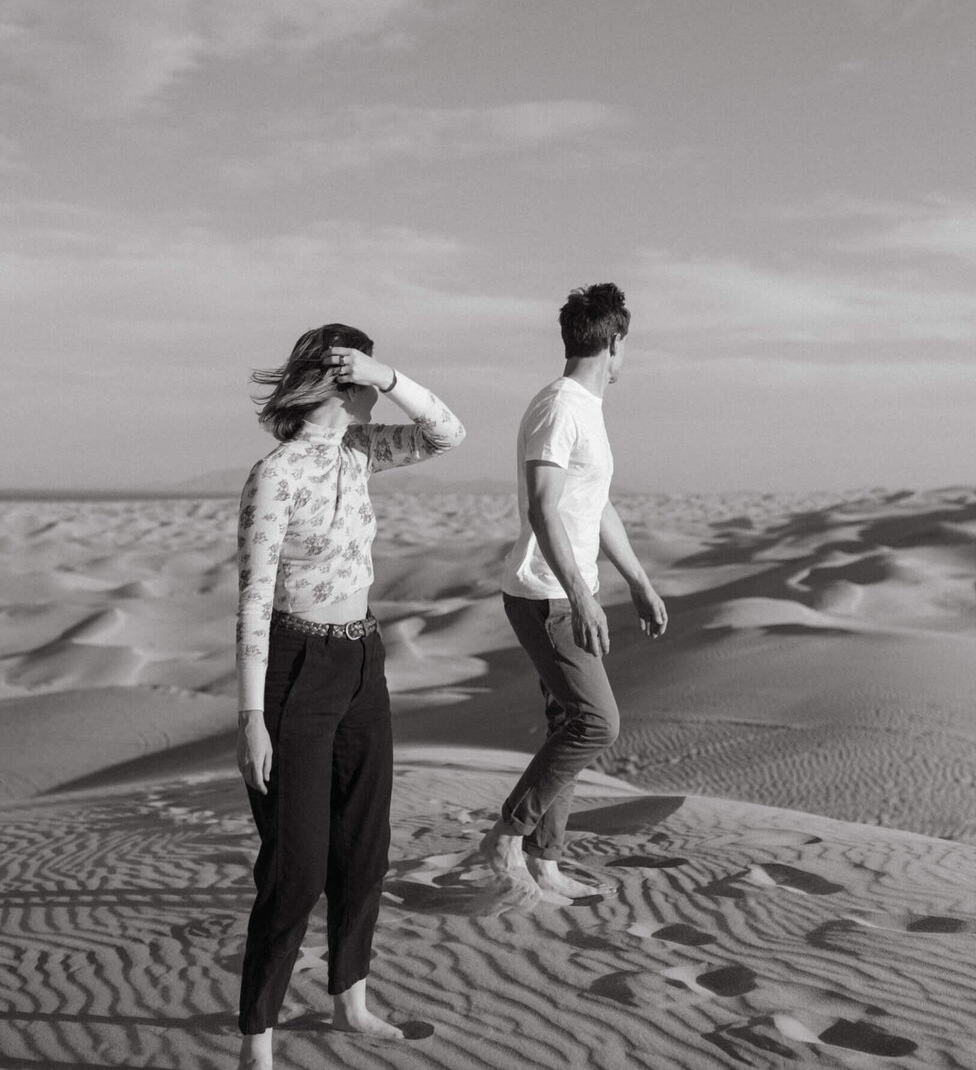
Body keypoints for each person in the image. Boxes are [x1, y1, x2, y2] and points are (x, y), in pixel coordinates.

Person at [234, 323, 464, 1069]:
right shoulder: (276, 475)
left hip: (364, 661)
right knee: (296, 867)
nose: (375, 390)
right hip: (295, 672)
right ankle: (257, 1042)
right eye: (363, 377)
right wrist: (251, 719)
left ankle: (350, 1002)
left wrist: (389, 373)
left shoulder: (362, 450)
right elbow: (252, 599)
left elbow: (448, 432)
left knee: (364, 851)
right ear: (339, 382)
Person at [482, 283, 667, 900]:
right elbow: (543, 507)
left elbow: (594, 504)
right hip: (545, 593)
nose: (626, 357)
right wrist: (581, 597)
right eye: (626, 344)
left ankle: (545, 861)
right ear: (613, 341)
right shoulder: (560, 407)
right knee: (596, 723)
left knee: (568, 720)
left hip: (566, 589)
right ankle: (508, 834)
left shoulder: (586, 408)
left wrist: (636, 580)